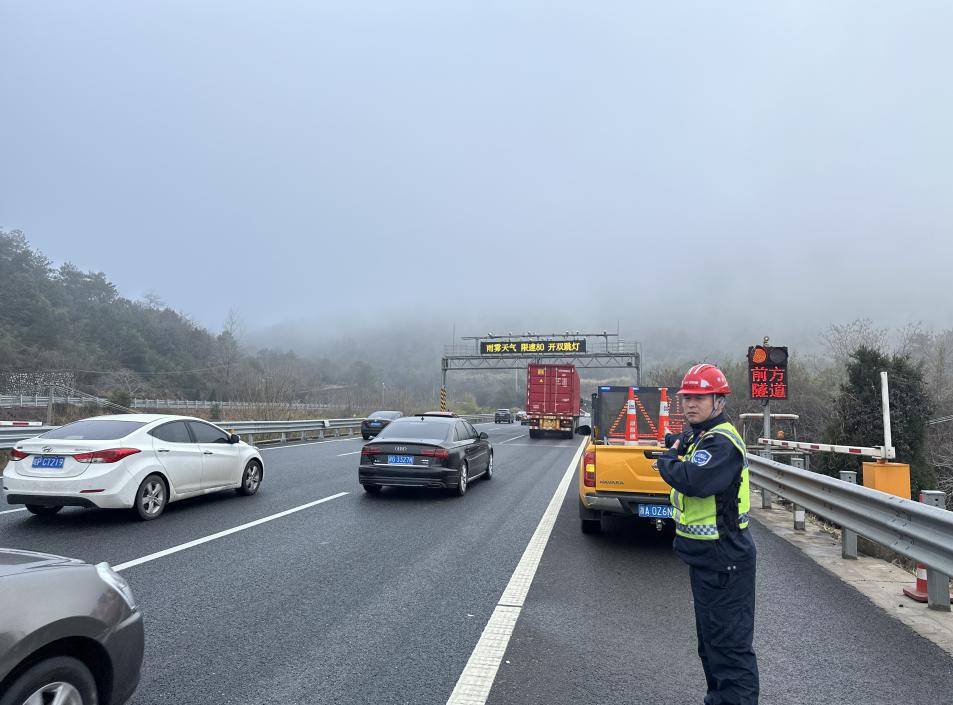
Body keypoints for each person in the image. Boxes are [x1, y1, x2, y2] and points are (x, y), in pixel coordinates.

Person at [656, 364, 759, 705]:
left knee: (729, 650)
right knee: (712, 647)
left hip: (725, 561)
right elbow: (685, 441)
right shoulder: (702, 435)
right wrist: (675, 442)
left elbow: (693, 479)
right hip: (710, 561)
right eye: (686, 397)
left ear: (719, 401)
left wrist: (667, 459)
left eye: (699, 398)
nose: (690, 404)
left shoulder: (721, 443)